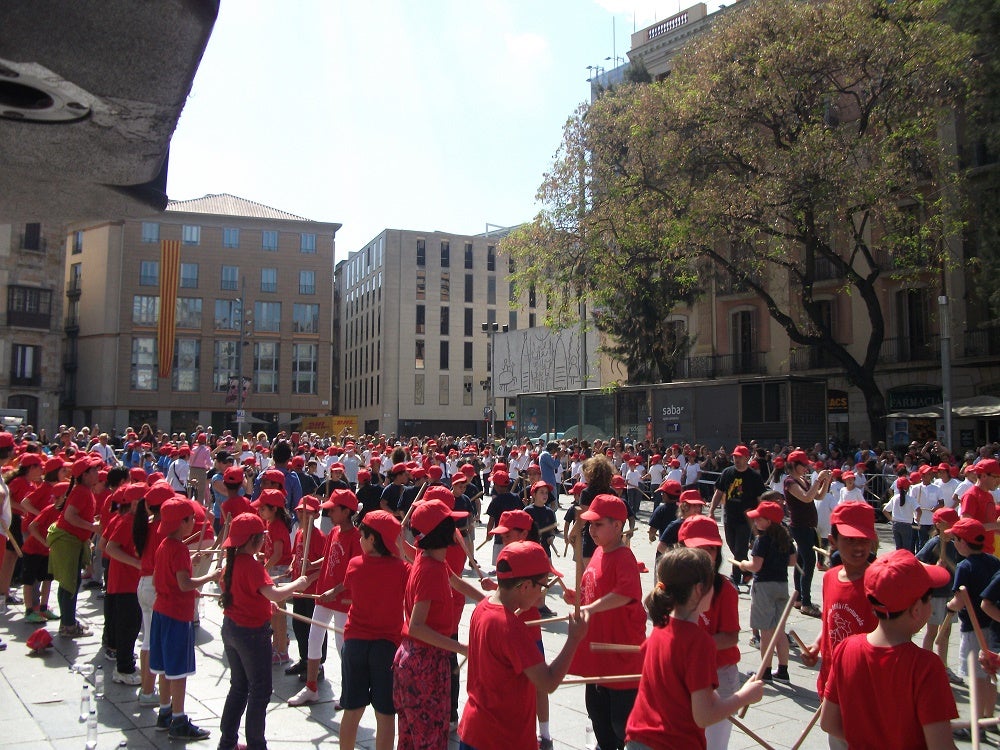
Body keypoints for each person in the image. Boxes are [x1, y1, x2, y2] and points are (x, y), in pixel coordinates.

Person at [625, 547, 763, 750]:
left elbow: (679, 691)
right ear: (699, 589)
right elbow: (704, 716)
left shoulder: (659, 631)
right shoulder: (699, 643)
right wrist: (745, 696)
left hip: (638, 738)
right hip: (672, 743)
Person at [820, 550, 957, 749]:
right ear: (916, 609)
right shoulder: (926, 667)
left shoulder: (845, 648)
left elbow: (828, 723)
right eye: (929, 599)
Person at [459, 541, 589, 750]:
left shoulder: (482, 608)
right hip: (502, 738)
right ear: (526, 586)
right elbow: (547, 682)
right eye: (543, 586)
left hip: (476, 729)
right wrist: (574, 639)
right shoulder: (511, 627)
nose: (542, 594)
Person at [218, 512, 311, 750]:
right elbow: (275, 594)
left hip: (231, 629)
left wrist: (263, 604)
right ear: (255, 540)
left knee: (239, 686)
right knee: (260, 690)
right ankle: (256, 745)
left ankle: (227, 742)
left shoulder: (231, 564)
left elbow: (243, 595)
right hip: (251, 635)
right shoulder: (251, 565)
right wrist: (298, 584)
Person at [563, 494, 645, 750]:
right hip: (598, 655)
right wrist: (578, 598)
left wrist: (590, 607)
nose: (591, 529)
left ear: (617, 526)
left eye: (598, 524)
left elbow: (624, 594)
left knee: (621, 724)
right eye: (590, 524)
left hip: (620, 658)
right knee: (598, 716)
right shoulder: (598, 552)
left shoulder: (624, 557)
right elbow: (593, 589)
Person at [800, 501, 879, 749]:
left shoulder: (878, 583)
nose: (859, 547)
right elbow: (830, 620)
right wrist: (817, 645)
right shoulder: (830, 577)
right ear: (832, 541)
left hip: (866, 687)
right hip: (832, 682)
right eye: (850, 540)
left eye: (864, 540)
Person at [394, 498, 469, 750]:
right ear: (440, 532)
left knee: (410, 739)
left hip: (416, 659)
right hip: (424, 663)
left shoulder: (429, 558)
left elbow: (456, 581)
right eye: (450, 523)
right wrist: (464, 649)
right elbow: (417, 626)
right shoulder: (430, 570)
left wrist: (491, 601)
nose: (456, 529)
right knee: (429, 740)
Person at [150, 496, 220, 741]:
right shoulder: (179, 548)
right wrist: (210, 577)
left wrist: (190, 564)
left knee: (163, 666)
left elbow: (164, 577)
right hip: (176, 614)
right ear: (182, 522)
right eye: (191, 519)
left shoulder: (164, 545)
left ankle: (165, 712)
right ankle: (179, 720)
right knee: (177, 670)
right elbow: (184, 583)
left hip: (161, 610)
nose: (193, 524)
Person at [337, 511, 409, 750]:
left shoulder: (355, 565)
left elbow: (352, 590)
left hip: (355, 644)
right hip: (387, 647)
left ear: (372, 539)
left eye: (363, 535)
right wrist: (400, 547)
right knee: (385, 714)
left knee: (352, 710)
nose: (359, 539)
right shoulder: (401, 569)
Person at [288, 488, 362, 706]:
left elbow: (354, 573)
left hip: (342, 598)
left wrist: (335, 591)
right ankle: (311, 687)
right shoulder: (334, 532)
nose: (329, 513)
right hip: (324, 593)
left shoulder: (356, 538)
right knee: (314, 638)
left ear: (346, 512)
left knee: (342, 645)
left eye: (333, 509)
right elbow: (328, 557)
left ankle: (349, 690)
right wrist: (313, 564)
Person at [676, 515, 743, 750]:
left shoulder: (725, 590)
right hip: (683, 672)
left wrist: (695, 646)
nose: (705, 556)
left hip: (718, 673)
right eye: (698, 548)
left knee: (713, 743)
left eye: (711, 549)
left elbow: (730, 637)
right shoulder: (672, 587)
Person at [946, 517, 1000, 734]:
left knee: (976, 678)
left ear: (963, 542)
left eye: (955, 539)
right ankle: (989, 718)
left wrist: (949, 606)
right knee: (989, 675)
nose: (954, 543)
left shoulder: (964, 567)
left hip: (973, 628)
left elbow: (959, 600)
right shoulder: (994, 561)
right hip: (993, 627)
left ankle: (976, 726)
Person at [738, 500, 795, 681]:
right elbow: (792, 561)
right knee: (779, 630)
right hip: (782, 585)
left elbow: (756, 566)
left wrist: (744, 564)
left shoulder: (761, 540)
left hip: (764, 587)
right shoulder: (786, 539)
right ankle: (783, 670)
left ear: (769, 521)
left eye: (759, 519)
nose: (755, 522)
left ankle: (765, 671)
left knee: (766, 631)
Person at [48, 454, 104, 637]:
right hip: (68, 541)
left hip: (71, 541)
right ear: (85, 475)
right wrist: (92, 527)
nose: (98, 472)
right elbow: (70, 516)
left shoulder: (82, 490)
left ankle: (67, 622)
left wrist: (91, 523)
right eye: (94, 470)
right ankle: (69, 626)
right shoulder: (81, 491)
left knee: (68, 583)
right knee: (70, 584)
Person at [708, 445, 766, 587]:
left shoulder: (754, 477)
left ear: (747, 458)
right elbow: (719, 492)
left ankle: (735, 578)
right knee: (732, 545)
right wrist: (711, 511)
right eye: (735, 457)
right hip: (729, 516)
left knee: (740, 549)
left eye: (740, 457)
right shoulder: (727, 473)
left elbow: (760, 499)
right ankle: (746, 571)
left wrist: (761, 517)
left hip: (746, 519)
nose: (737, 460)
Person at [915, 507, 961, 683]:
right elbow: (916, 561)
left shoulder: (955, 543)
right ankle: (926, 667)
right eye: (950, 524)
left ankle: (943, 666)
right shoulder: (934, 543)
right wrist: (933, 567)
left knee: (946, 631)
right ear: (939, 525)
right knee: (932, 631)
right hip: (936, 595)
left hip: (949, 593)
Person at [783, 449, 830, 618]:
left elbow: (819, 496)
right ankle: (806, 602)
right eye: (803, 465)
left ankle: (799, 598)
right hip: (800, 526)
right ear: (794, 465)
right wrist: (818, 480)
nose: (806, 468)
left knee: (802, 561)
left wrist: (825, 481)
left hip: (809, 527)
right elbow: (806, 497)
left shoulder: (803, 480)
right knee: (809, 562)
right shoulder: (790, 482)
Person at [285, 495, 327, 680]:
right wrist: (291, 566)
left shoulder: (319, 537)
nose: (303, 515)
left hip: (312, 591)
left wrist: (310, 578)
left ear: (316, 515)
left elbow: (325, 565)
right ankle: (304, 659)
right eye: (300, 512)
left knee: (313, 629)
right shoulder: (300, 533)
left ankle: (317, 665)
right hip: (299, 590)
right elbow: (296, 554)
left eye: (307, 512)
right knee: (299, 626)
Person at [882, 476, 915, 552]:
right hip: (907, 525)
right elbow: (919, 510)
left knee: (898, 548)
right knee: (906, 549)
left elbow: (884, 510)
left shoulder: (894, 498)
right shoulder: (911, 499)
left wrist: (891, 520)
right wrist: (917, 519)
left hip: (896, 525)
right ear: (907, 488)